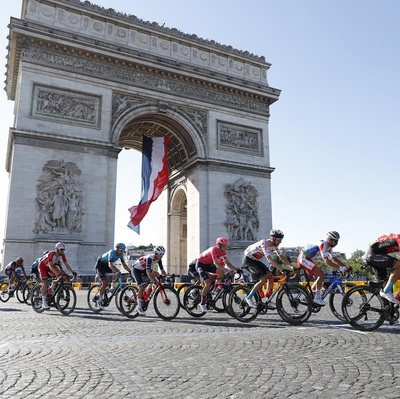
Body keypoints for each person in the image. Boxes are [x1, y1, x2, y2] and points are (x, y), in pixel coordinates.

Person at [243, 229, 294, 309]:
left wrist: (291, 267)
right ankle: (248, 298)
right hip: (248, 261)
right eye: (279, 240)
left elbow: (282, 257)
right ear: (273, 239)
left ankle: (268, 298)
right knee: (263, 279)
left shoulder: (274, 246)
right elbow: (269, 259)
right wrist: (282, 269)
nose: (280, 242)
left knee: (270, 275)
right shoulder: (264, 243)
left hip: (255, 261)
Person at [297, 231, 351, 305]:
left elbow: (334, 259)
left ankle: (309, 296)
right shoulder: (323, 244)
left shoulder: (329, 247)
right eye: (335, 241)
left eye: (337, 241)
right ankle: (317, 298)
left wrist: (344, 267)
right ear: (330, 239)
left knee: (320, 277)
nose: (337, 243)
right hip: (303, 258)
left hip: (308, 259)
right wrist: (340, 268)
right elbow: (326, 261)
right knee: (321, 274)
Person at [196, 237, 240, 313]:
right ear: (219, 246)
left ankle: (215, 289)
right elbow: (216, 264)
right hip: (201, 264)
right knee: (208, 282)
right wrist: (227, 270)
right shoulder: (214, 250)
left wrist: (236, 269)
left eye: (226, 245)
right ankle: (202, 303)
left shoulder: (223, 252)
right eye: (224, 246)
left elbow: (227, 263)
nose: (226, 247)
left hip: (208, 264)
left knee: (221, 272)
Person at [38, 242, 77, 310]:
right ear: (57, 249)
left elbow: (66, 265)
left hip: (51, 266)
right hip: (43, 266)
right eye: (61, 250)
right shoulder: (51, 254)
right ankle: (43, 302)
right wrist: (57, 273)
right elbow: (50, 266)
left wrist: (72, 271)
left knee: (60, 276)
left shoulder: (62, 255)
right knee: (45, 281)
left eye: (63, 250)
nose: (62, 251)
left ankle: (51, 288)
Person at [130, 245, 167, 316]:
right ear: (156, 253)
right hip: (136, 270)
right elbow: (148, 272)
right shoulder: (150, 258)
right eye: (161, 254)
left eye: (163, 254)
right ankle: (139, 308)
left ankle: (147, 291)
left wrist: (167, 277)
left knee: (157, 274)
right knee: (141, 287)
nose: (162, 256)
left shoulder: (159, 259)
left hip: (143, 270)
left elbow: (162, 270)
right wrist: (153, 280)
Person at [364, 233, 400, 304]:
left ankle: (387, 312)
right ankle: (386, 291)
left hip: (376, 254)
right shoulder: (398, 239)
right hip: (373, 255)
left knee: (385, 281)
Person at [94, 243, 130, 309]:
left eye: (123, 250)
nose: (121, 252)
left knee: (117, 271)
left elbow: (124, 265)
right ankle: (99, 300)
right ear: (117, 249)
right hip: (100, 265)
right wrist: (116, 271)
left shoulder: (121, 255)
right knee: (105, 282)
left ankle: (111, 286)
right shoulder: (112, 252)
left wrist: (130, 271)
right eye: (120, 250)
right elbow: (110, 265)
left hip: (107, 265)